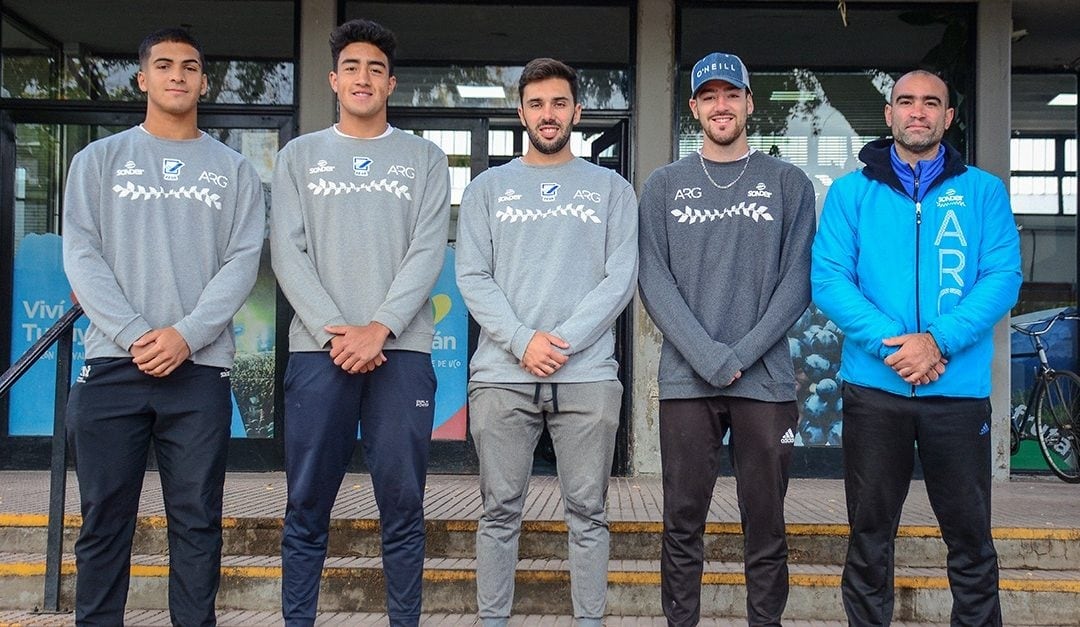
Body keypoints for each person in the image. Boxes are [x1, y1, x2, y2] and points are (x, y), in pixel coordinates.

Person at [61, 28, 265, 626]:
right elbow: (83, 254)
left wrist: (186, 335)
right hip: (110, 369)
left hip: (197, 371)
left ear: (205, 81)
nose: (178, 75)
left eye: (191, 66)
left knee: (197, 521)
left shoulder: (235, 171)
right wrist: (133, 334)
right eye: (165, 64)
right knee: (103, 521)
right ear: (142, 78)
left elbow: (242, 262)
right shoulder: (97, 161)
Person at [812, 69, 1021, 626]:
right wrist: (896, 348)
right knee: (870, 538)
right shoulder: (851, 193)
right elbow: (830, 279)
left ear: (948, 117)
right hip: (876, 393)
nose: (918, 112)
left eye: (932, 103)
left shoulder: (983, 191)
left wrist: (938, 341)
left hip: (958, 394)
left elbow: (1003, 276)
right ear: (889, 115)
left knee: (971, 539)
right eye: (906, 101)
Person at [269, 18, 450, 627]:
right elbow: (285, 253)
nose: (364, 78)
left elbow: (428, 250)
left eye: (375, 68)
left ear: (391, 83)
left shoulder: (424, 158)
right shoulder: (299, 156)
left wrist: (382, 327)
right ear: (334, 81)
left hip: (402, 355)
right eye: (352, 68)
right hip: (319, 354)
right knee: (306, 507)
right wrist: (334, 330)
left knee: (402, 507)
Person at [455, 57, 638, 626]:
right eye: (536, 104)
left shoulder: (612, 188)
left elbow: (621, 276)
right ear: (521, 113)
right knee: (499, 512)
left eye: (559, 103)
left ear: (577, 112)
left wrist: (559, 340)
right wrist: (521, 341)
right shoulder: (487, 189)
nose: (548, 114)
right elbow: (472, 277)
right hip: (502, 376)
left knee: (588, 513)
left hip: (586, 378)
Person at [637, 52, 817, 627]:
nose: (721, 105)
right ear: (693, 107)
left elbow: (799, 282)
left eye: (731, 94)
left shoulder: (788, 183)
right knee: (681, 521)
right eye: (709, 96)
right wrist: (709, 355)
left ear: (748, 103)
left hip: (765, 383)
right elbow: (652, 279)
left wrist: (738, 355)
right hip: (687, 382)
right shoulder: (664, 185)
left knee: (765, 523)